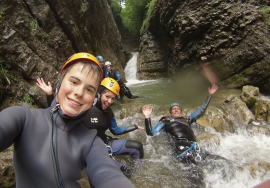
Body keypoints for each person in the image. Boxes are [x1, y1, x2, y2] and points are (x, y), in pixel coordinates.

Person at [0, 52, 135, 188]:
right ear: (60, 81)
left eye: (89, 89)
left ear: (94, 98)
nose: (79, 92)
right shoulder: (23, 118)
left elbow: (108, 174)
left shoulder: (91, 142)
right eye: (74, 82)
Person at [37, 77, 145, 176]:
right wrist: (49, 94)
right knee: (123, 172)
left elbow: (115, 130)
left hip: (104, 142)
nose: (110, 101)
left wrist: (134, 126)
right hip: (88, 148)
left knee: (137, 147)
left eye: (113, 98)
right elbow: (59, 118)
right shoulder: (85, 106)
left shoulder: (109, 113)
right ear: (99, 93)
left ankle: (140, 176)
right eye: (107, 97)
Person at [142, 84, 218, 163]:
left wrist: (210, 95)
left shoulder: (187, 119)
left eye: (178, 109)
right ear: (170, 112)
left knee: (219, 161)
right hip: (180, 146)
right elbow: (151, 133)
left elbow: (201, 111)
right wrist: (147, 118)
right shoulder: (165, 120)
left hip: (194, 146)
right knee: (196, 172)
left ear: (181, 112)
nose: (176, 110)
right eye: (173, 109)